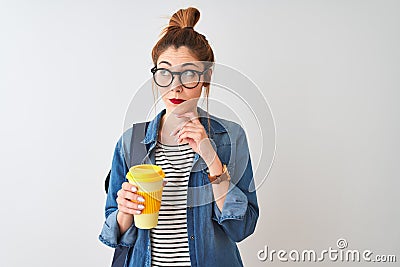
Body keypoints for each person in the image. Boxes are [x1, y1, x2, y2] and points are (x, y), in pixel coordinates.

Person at [99, 7, 259, 267]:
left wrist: (210, 157)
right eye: (165, 72)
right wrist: (125, 212)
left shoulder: (230, 137)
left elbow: (241, 228)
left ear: (205, 77)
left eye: (188, 74)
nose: (176, 86)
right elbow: (114, 232)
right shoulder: (130, 142)